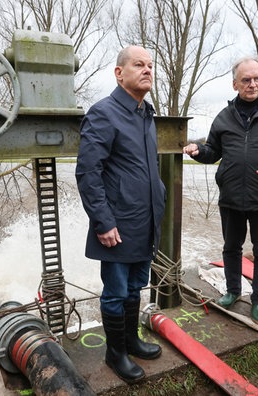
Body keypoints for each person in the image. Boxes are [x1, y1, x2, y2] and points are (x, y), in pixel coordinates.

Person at [182, 56, 258, 324]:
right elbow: (213, 150)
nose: (253, 84)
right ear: (235, 84)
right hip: (232, 196)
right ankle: (233, 291)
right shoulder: (225, 116)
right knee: (231, 247)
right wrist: (198, 150)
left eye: (257, 78)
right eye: (246, 80)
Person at [75, 45, 166, 384]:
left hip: (146, 222)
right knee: (114, 292)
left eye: (150, 66)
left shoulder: (146, 115)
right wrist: (103, 221)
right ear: (119, 73)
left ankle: (130, 341)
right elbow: (88, 172)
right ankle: (115, 354)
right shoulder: (104, 113)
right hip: (117, 224)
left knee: (134, 289)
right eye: (139, 65)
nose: (147, 70)